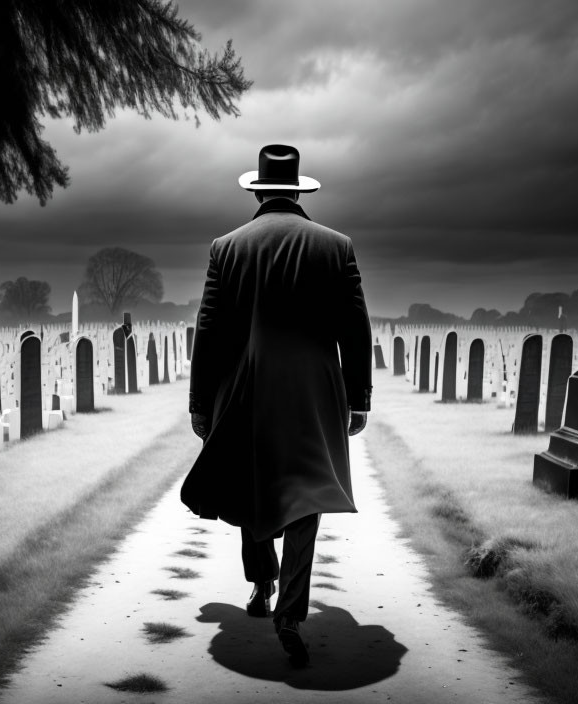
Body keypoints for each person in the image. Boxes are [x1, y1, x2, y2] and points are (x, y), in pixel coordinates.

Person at [181, 144, 372, 666]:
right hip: (314, 395)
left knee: (253, 487)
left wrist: (200, 404)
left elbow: (210, 330)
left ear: (260, 191)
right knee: (306, 496)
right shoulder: (337, 247)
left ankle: (261, 583)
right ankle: (290, 613)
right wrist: (359, 399)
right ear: (298, 191)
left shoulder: (227, 247)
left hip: (245, 388)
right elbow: (355, 330)